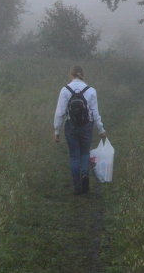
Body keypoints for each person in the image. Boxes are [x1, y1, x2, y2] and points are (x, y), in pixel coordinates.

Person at [53, 64, 107, 194]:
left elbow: (60, 113)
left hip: (71, 126)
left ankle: (77, 186)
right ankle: (85, 175)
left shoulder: (65, 90)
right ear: (83, 74)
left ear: (70, 75)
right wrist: (101, 129)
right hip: (86, 126)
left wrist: (56, 131)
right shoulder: (91, 90)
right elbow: (95, 113)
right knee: (85, 153)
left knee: (74, 155)